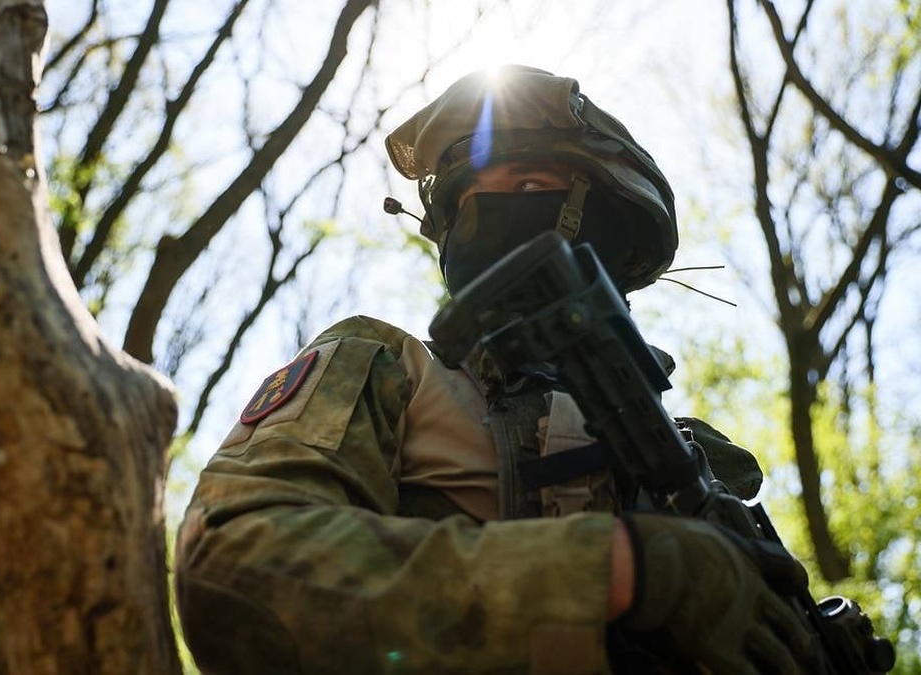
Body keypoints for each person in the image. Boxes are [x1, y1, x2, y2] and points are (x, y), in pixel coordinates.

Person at [174, 65, 814, 674]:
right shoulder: (386, 367)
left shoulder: (690, 464)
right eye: (467, 199)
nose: (484, 216)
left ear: (605, 223)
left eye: (530, 187)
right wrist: (621, 573)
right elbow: (235, 564)